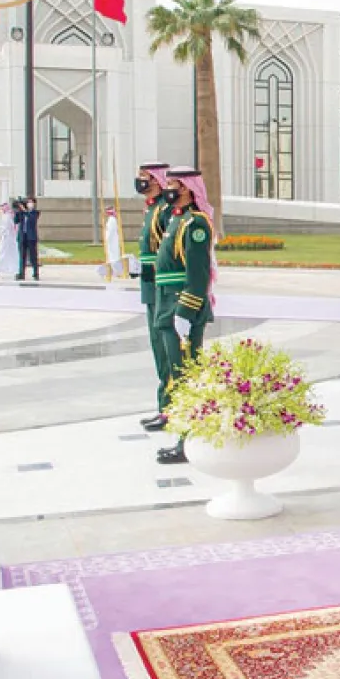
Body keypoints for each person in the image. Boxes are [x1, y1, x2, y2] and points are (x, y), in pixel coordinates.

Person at [152, 167, 216, 465]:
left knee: (186, 375)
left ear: (190, 189)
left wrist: (186, 311)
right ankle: (184, 435)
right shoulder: (176, 219)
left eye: (175, 185)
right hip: (167, 302)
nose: (169, 189)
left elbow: (197, 273)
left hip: (182, 304)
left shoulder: (196, 224)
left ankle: (190, 439)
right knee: (177, 376)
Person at [135, 162, 173, 433]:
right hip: (151, 285)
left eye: (144, 177)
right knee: (158, 347)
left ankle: (171, 408)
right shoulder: (151, 208)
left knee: (167, 349)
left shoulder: (164, 210)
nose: (139, 181)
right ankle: (164, 407)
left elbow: (168, 251)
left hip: (162, 285)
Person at [0, 201, 20, 279]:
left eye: (3, 206)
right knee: (7, 254)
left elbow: (7, 228)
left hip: (8, 238)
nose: (2, 208)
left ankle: (0, 270)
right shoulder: (9, 215)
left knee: (4, 253)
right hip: (8, 238)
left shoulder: (8, 216)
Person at [17, 197, 41, 281]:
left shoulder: (35, 213)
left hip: (31, 237)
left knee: (33, 256)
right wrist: (18, 210)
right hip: (22, 237)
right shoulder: (23, 212)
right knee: (22, 256)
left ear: (34, 204)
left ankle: (35, 273)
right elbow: (16, 221)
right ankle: (21, 273)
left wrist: (24, 210)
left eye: (31, 202)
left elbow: (32, 220)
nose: (29, 204)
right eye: (28, 202)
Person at [101, 207, 124, 286]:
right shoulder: (112, 220)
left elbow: (109, 232)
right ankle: (115, 272)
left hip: (112, 241)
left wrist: (106, 240)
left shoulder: (111, 220)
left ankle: (116, 272)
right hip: (112, 241)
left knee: (113, 257)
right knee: (113, 256)